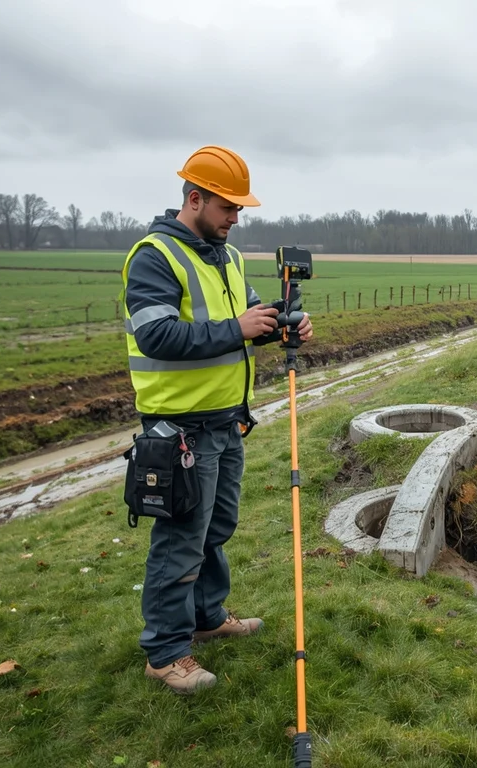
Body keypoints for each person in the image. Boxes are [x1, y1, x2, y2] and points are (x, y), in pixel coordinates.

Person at [120, 145, 313, 695]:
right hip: (179, 427)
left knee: (215, 530)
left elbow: (253, 318)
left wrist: (287, 326)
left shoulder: (227, 257)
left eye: (239, 210)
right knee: (180, 539)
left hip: (226, 422)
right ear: (194, 197)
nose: (235, 218)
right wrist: (239, 329)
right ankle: (165, 652)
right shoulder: (155, 256)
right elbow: (155, 334)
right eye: (228, 208)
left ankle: (207, 617)